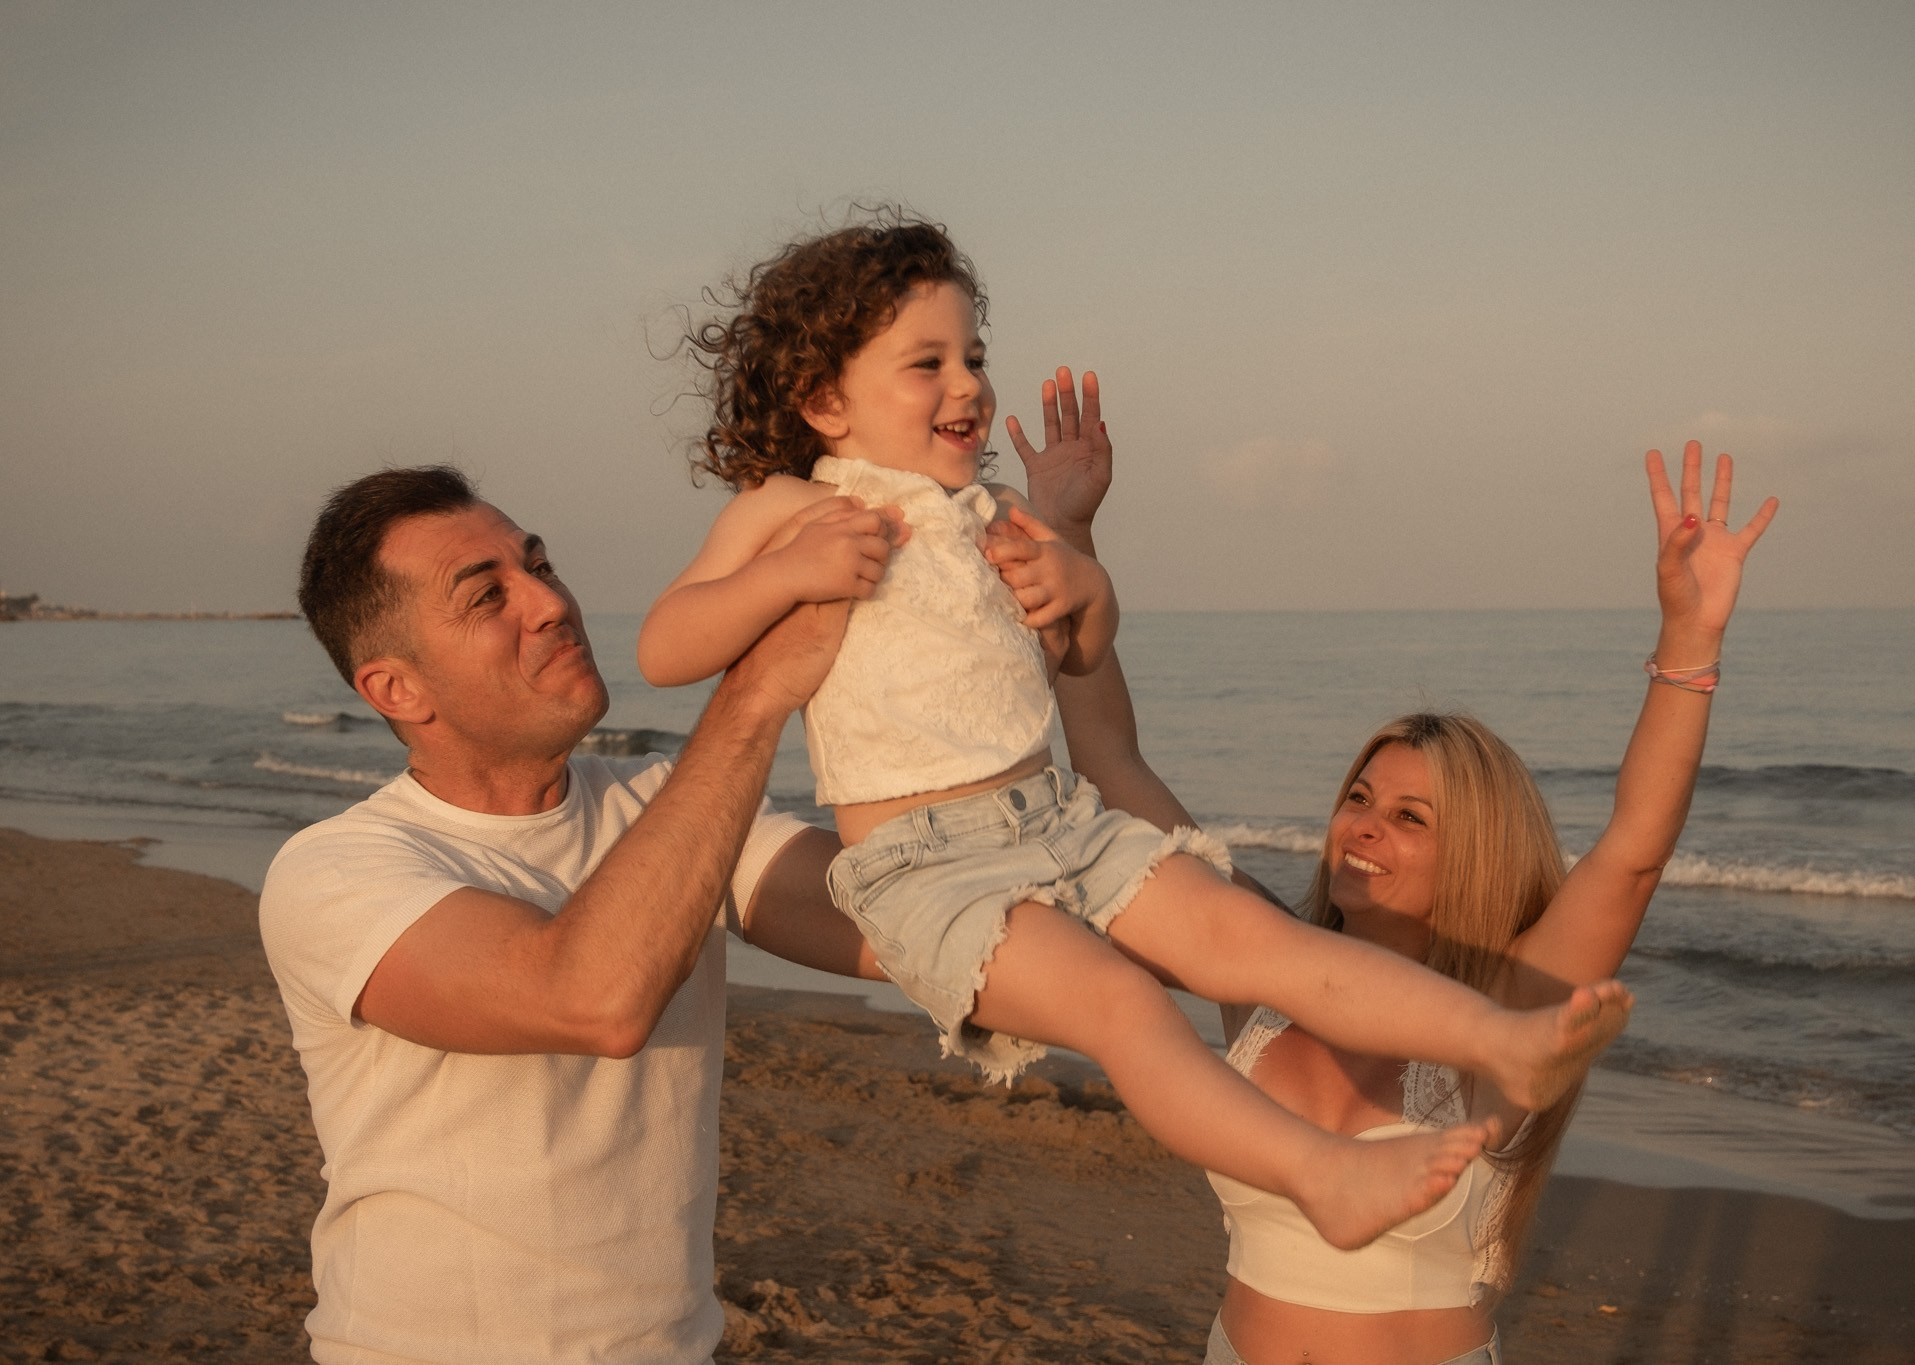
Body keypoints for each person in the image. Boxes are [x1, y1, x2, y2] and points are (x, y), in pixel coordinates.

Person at [636, 211, 1635, 1254]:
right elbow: (665, 646)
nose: (968, 385)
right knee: (1121, 1004)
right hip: (923, 865)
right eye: (925, 363)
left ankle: (1500, 1041)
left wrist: (1081, 576)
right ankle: (1317, 1172)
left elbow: (1076, 653)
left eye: (973, 356)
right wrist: (777, 578)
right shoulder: (787, 510)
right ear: (821, 400)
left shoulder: (997, 510)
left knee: (1256, 941)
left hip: (1060, 819)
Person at [1025, 402, 1778, 1364]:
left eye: (1410, 817)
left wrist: (1689, 639)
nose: (1364, 826)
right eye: (1361, 797)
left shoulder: (1499, 1010)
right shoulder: (1255, 963)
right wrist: (1072, 539)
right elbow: (1113, 762)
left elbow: (1631, 853)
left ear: (1476, 854)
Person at [259, 465, 884, 1365]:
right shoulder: (332, 873)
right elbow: (594, 997)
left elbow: (902, 924)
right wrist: (755, 689)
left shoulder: (665, 803)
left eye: (539, 564)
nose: (551, 603)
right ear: (397, 689)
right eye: (487, 597)